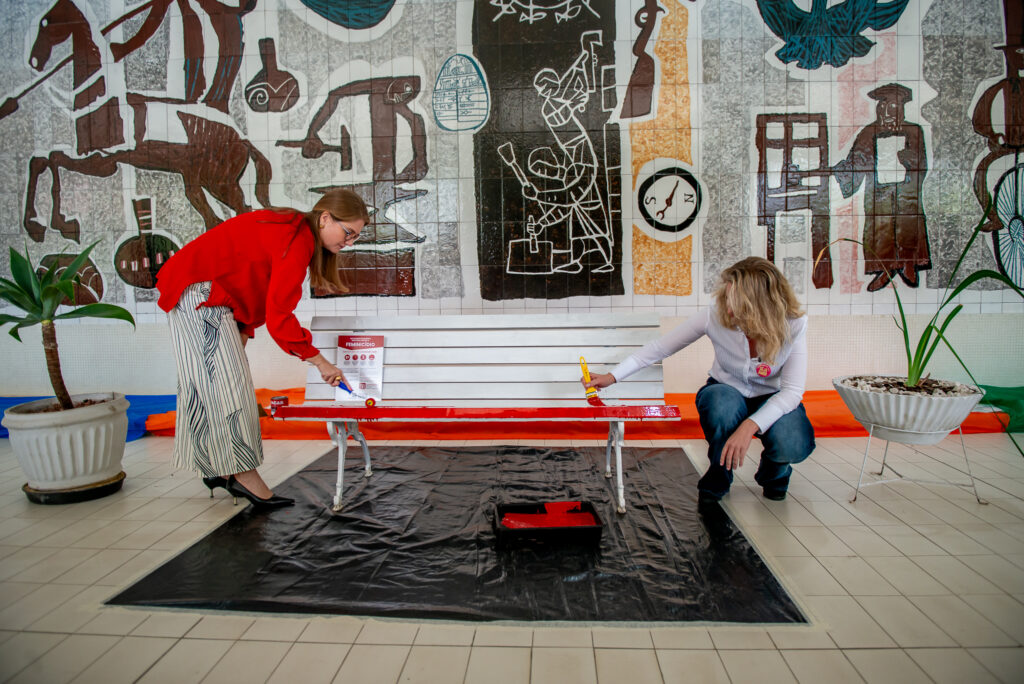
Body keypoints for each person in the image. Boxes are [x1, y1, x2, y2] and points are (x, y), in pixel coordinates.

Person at [156, 189, 369, 508]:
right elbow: (279, 316)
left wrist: (242, 329)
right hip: (202, 295)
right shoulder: (296, 239)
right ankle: (243, 476)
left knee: (203, 385)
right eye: (348, 232)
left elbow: (249, 278)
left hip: (201, 293)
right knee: (229, 389)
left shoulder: (293, 228)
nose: (349, 242)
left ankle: (215, 468)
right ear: (325, 218)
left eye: (355, 237)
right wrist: (320, 362)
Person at [583, 257, 815, 502]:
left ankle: (774, 474)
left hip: (773, 396)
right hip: (727, 390)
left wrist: (749, 426)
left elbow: (792, 392)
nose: (728, 309)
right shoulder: (715, 314)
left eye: (737, 303)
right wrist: (612, 376)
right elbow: (660, 348)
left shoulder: (794, 324)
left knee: (793, 442)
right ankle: (719, 474)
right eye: (728, 298)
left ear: (760, 305)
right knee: (720, 405)